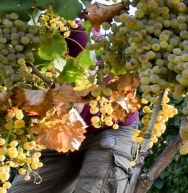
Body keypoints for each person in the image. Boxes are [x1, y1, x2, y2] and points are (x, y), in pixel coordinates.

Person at [10, 21, 139, 193]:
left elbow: (83, 93)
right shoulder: (12, 43)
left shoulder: (73, 31)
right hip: (62, 127)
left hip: (110, 126)